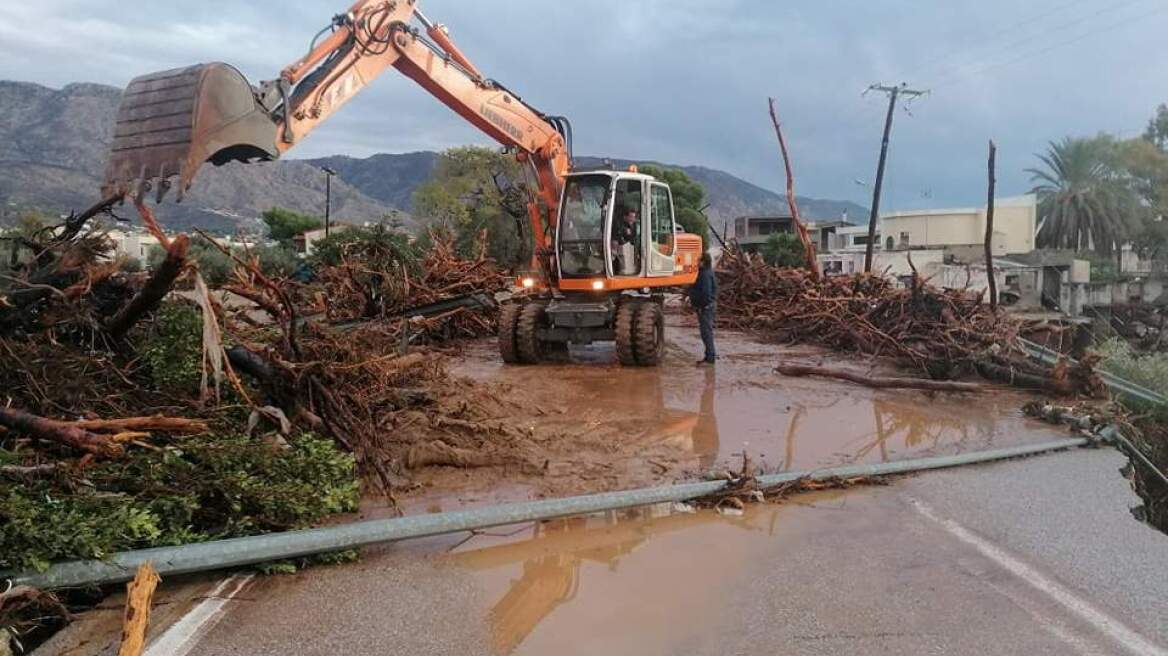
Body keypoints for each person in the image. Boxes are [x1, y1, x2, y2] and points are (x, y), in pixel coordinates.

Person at [689, 252, 717, 365]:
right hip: (707, 306)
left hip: (706, 307)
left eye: (699, 260)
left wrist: (701, 305)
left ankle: (710, 358)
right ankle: (709, 356)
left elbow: (706, 293)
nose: (697, 262)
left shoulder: (705, 274)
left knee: (706, 333)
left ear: (703, 262)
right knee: (706, 332)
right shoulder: (707, 272)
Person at [611, 207, 640, 274]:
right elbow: (617, 238)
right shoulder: (619, 225)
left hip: (631, 248)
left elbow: (634, 237)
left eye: (634, 217)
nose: (632, 219)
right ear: (625, 217)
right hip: (621, 248)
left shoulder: (634, 225)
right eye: (631, 217)